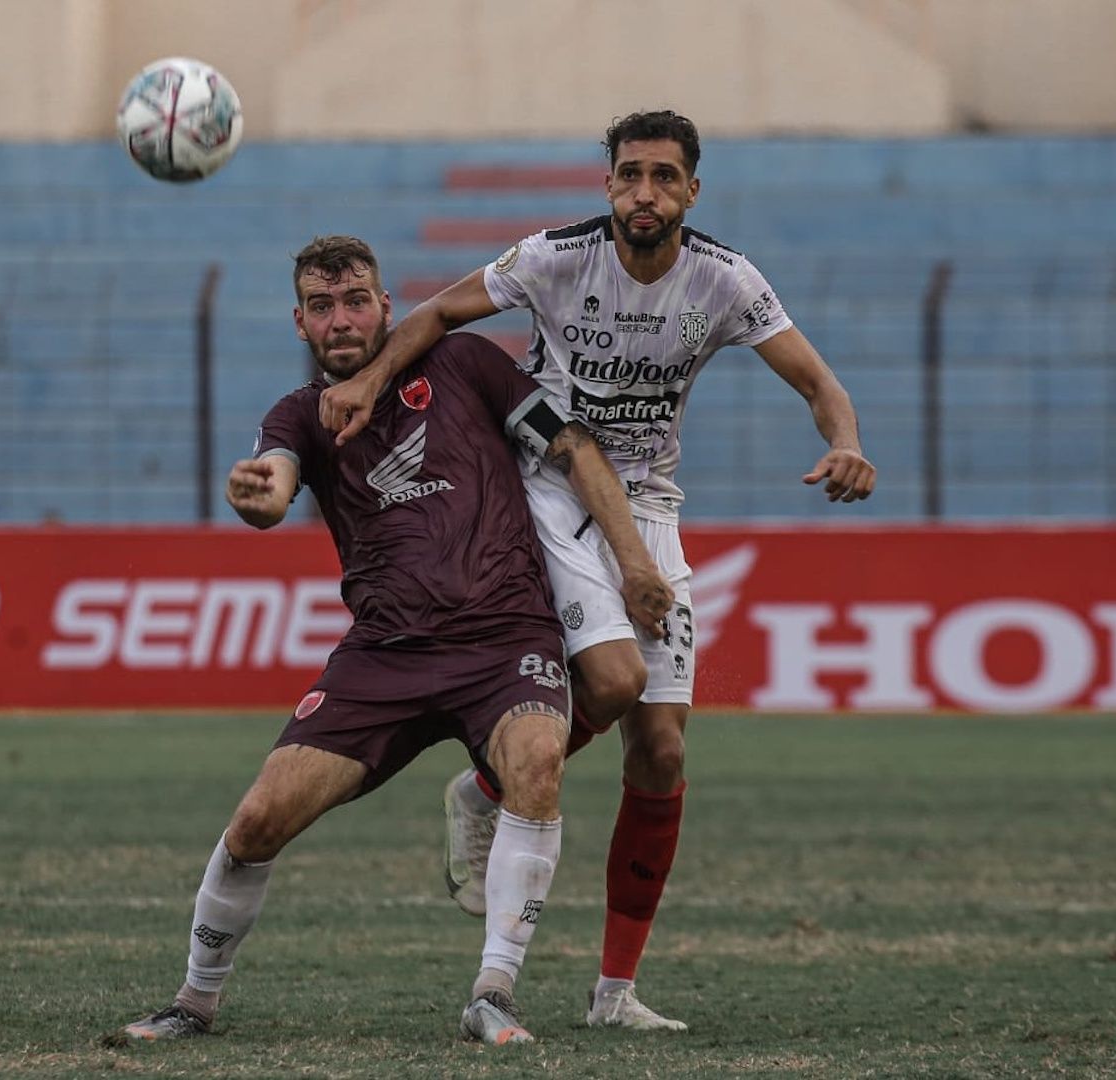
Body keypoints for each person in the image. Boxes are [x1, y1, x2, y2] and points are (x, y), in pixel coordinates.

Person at [316, 110, 876, 1032]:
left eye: (663, 177)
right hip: (549, 486)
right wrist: (369, 382)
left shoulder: (727, 281)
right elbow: (438, 312)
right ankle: (491, 791)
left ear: (693, 191)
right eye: (628, 175)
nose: (643, 193)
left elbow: (819, 382)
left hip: (650, 504)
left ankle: (614, 991)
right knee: (611, 682)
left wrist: (848, 442)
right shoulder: (553, 257)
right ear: (607, 184)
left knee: (661, 751)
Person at [113, 235, 673, 1048]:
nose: (340, 319)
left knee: (539, 764)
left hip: (503, 636)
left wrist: (633, 561)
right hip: (385, 655)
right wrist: (255, 493)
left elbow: (572, 446)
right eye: (321, 306)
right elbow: (272, 486)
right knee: (258, 820)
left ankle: (494, 993)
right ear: (299, 321)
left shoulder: (467, 365)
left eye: (355, 301)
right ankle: (193, 1003)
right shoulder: (299, 415)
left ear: (385, 306)